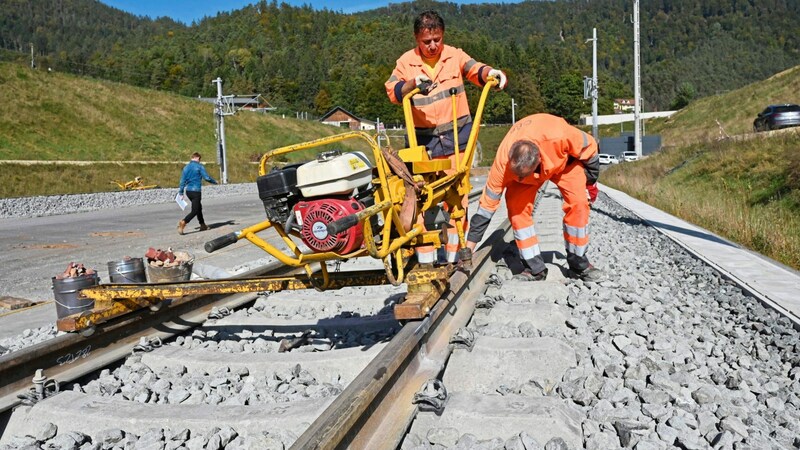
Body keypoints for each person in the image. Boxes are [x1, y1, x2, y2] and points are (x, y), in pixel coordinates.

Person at [384, 9, 507, 265]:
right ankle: (426, 262)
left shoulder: (455, 55)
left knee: (456, 198)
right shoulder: (406, 62)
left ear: (443, 35)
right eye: (426, 41)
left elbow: (475, 70)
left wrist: (491, 72)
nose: (432, 46)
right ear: (417, 39)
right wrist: (410, 85)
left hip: (456, 140)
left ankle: (453, 258)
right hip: (423, 144)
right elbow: (393, 91)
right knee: (420, 199)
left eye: (436, 39)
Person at [464, 113, 604, 282]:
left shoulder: (559, 135)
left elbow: (589, 147)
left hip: (563, 165)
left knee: (579, 204)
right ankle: (534, 268)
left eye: (524, 175)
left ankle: (578, 265)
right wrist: (469, 247)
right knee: (516, 211)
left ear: (538, 159)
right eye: (518, 175)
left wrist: (590, 181)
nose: (521, 178)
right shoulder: (503, 164)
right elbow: (486, 207)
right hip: (529, 174)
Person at [177, 152, 217, 235]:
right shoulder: (199, 166)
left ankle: (202, 225)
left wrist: (181, 193)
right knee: (195, 210)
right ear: (198, 158)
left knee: (199, 207)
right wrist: (214, 181)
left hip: (188, 191)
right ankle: (184, 222)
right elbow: (206, 177)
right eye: (200, 159)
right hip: (196, 191)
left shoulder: (186, 167)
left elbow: (182, 181)